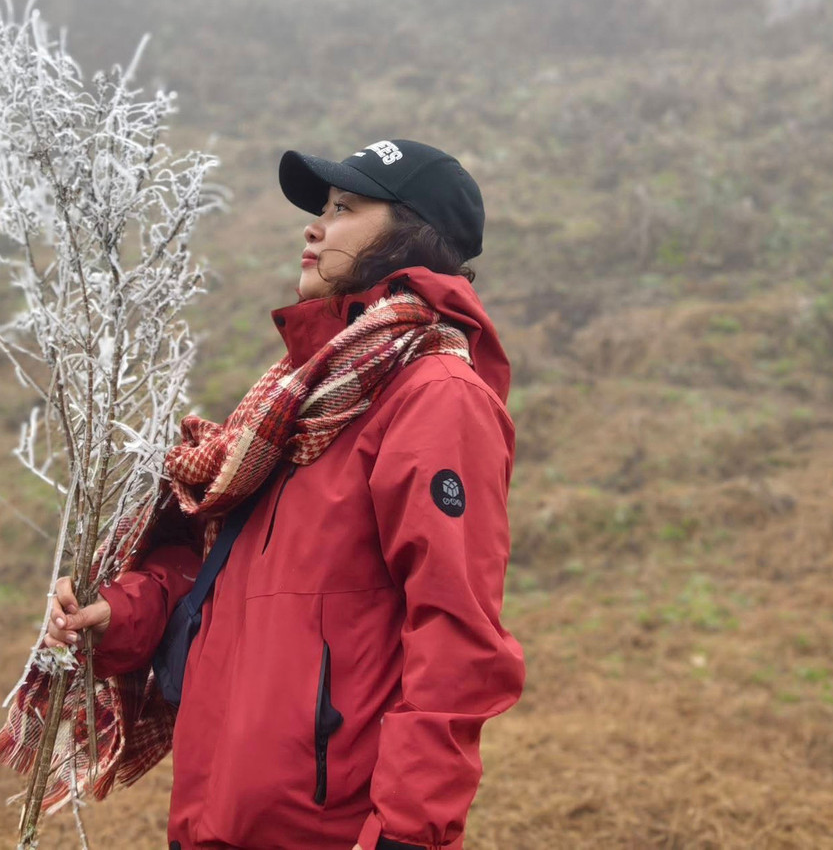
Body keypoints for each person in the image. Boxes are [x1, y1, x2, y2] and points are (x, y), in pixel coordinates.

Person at [42, 140, 525, 850]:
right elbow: (222, 586)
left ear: (413, 234)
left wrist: (409, 833)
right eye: (321, 208)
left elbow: (457, 640)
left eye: (344, 208)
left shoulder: (435, 398)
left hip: (324, 830)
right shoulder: (299, 397)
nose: (314, 225)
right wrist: (117, 612)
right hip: (215, 813)